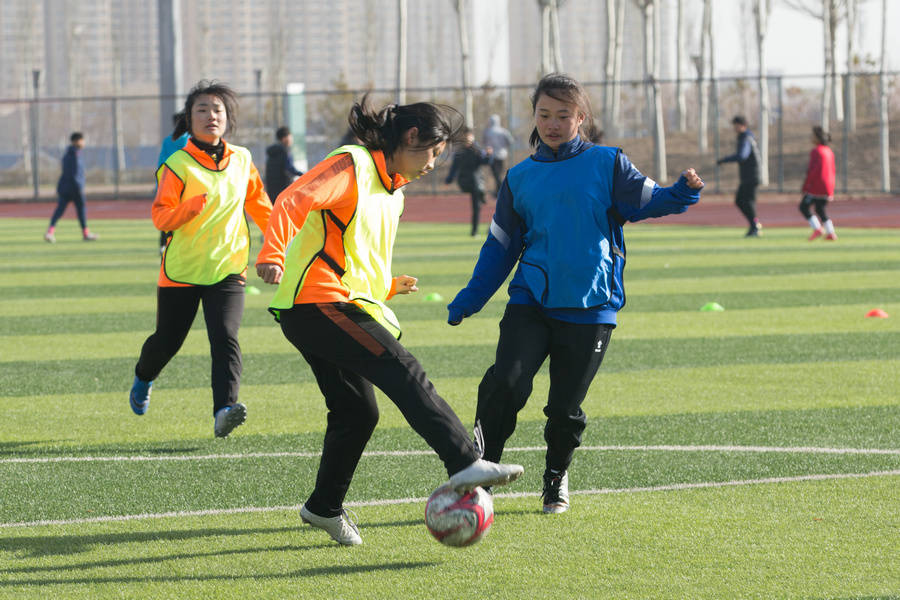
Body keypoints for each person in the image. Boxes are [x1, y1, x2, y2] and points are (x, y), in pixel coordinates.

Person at [255, 96, 524, 546]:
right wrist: (272, 253)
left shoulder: (393, 192)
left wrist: (385, 286)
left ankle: (323, 507)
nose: (434, 164)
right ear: (410, 137)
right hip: (317, 302)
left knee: (357, 411)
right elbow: (293, 198)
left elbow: (354, 255)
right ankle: (463, 460)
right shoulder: (352, 164)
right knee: (401, 367)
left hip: (334, 304)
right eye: (433, 152)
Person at [446, 73, 704, 515]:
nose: (552, 123)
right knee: (505, 384)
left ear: (580, 118)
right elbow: (501, 247)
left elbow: (649, 200)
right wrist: (470, 298)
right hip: (531, 302)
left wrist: (681, 192)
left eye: (563, 115)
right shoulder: (520, 177)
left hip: (592, 307)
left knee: (564, 409)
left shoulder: (608, 163)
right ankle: (481, 472)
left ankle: (555, 476)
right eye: (544, 114)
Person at [129, 80, 272, 439]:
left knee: (225, 336)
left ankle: (224, 410)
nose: (211, 115)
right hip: (182, 270)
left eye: (218, 109)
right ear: (189, 119)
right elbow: (161, 217)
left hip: (227, 267)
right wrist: (188, 209)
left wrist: (281, 243)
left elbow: (262, 208)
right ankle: (144, 376)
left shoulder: (243, 160)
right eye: (202, 110)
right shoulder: (177, 164)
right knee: (167, 341)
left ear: (228, 118)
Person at [44, 132, 98, 242]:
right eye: (82, 140)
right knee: (80, 211)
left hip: (66, 187)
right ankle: (85, 234)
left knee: (61, 211)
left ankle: (50, 232)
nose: (83, 142)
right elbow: (75, 174)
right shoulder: (74, 155)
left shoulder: (69, 154)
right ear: (76, 141)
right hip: (74, 188)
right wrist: (79, 188)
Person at [718, 115, 762, 237]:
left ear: (743, 125)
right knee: (744, 201)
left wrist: (725, 160)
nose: (735, 128)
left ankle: (755, 226)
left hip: (751, 175)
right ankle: (754, 226)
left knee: (744, 201)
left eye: (736, 125)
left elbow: (742, 155)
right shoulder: (747, 137)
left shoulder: (745, 138)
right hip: (751, 175)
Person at [444, 127, 493, 236]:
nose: (467, 140)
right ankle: (482, 195)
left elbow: (485, 162)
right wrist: (448, 180)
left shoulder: (476, 150)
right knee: (477, 197)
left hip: (476, 181)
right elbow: (454, 167)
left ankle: (474, 232)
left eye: (469, 137)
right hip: (465, 181)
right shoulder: (459, 152)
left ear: (472, 138)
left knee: (476, 207)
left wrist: (489, 155)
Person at [156, 113, 190, 253]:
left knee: (168, 214)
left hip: (170, 183)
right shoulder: (190, 140)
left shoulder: (168, 140)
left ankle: (164, 244)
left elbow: (161, 163)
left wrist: (160, 183)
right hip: (185, 183)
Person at [799, 125, 838, 241]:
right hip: (828, 185)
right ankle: (831, 232)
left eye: (813, 136)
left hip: (817, 186)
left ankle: (817, 228)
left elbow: (813, 170)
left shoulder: (816, 151)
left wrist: (806, 186)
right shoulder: (829, 151)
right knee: (820, 209)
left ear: (817, 138)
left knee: (803, 207)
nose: (811, 138)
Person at [265, 126, 304, 203]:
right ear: (284, 138)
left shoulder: (272, 153)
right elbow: (289, 168)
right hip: (283, 189)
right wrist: (304, 175)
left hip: (271, 190)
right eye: (290, 136)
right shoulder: (285, 151)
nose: (292, 139)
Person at [482, 114, 514, 194]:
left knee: (496, 174)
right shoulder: (503, 131)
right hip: (502, 155)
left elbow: (484, 142)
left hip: (492, 156)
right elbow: (510, 141)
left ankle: (501, 190)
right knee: (498, 174)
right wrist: (503, 146)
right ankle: (498, 191)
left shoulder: (487, 132)